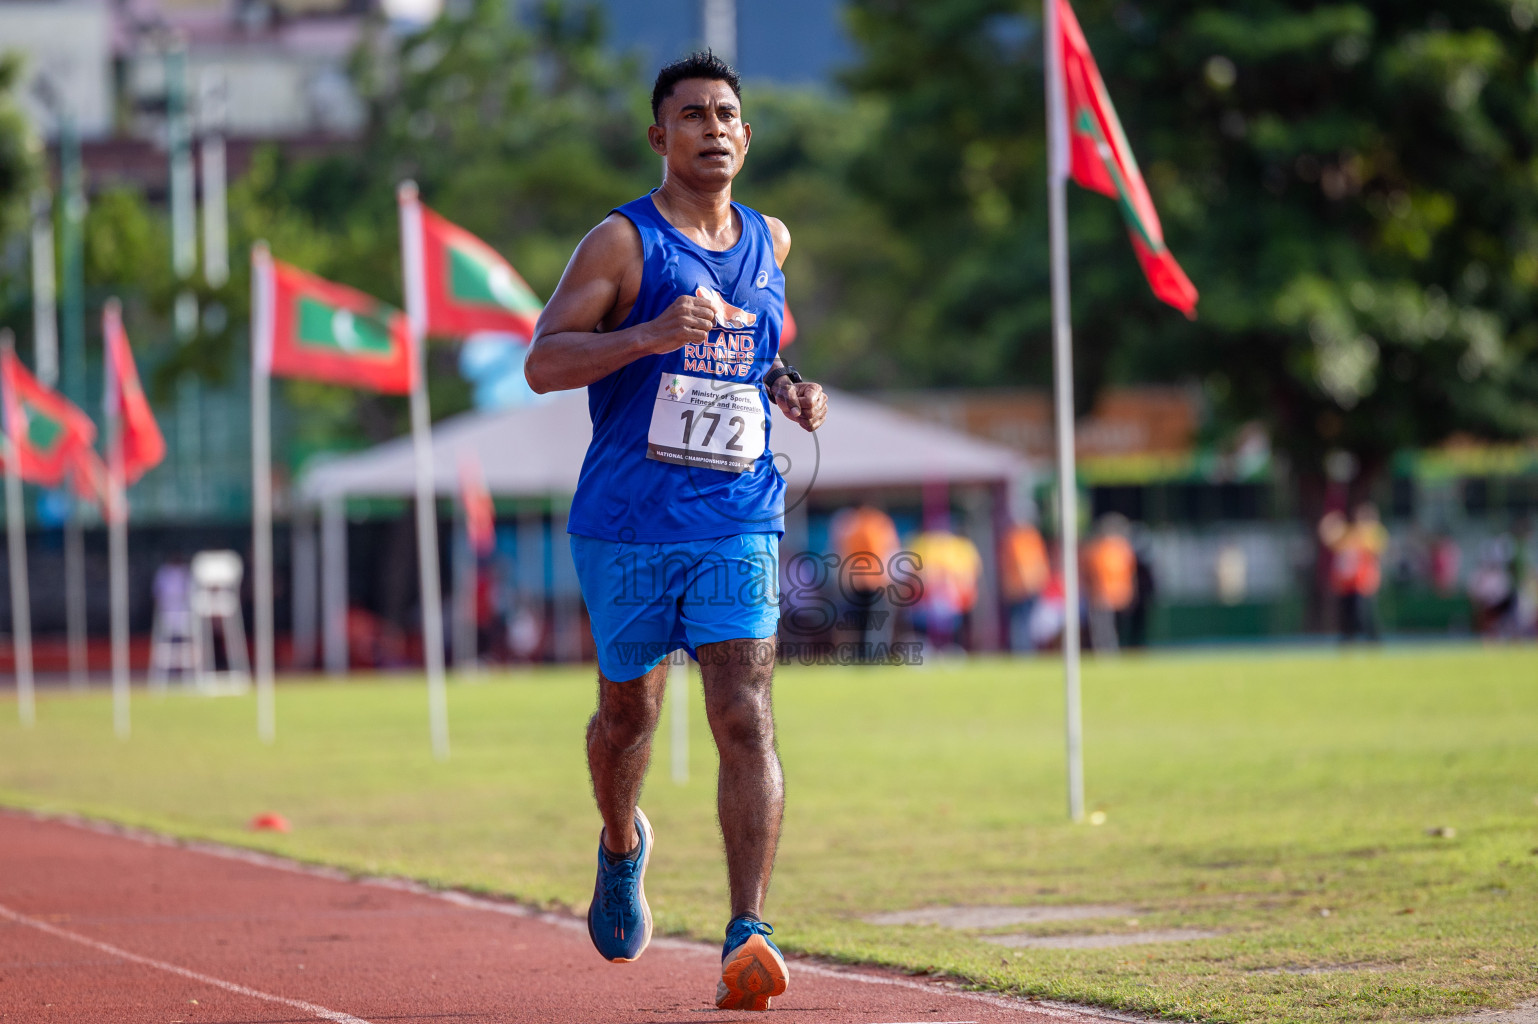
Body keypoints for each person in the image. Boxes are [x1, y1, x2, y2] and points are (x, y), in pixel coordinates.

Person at [523, 52, 828, 1011]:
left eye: (727, 114)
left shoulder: (770, 241)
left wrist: (790, 388)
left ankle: (749, 932)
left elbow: (756, 356)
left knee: (744, 708)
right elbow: (543, 360)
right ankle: (621, 843)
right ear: (660, 136)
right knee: (630, 717)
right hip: (626, 522)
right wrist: (646, 336)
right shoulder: (620, 244)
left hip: (738, 512)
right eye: (691, 114)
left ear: (747, 134)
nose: (712, 128)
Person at [830, 505, 900, 660]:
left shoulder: (850, 524)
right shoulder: (880, 524)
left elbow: (842, 553)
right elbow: (889, 552)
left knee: (859, 621)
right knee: (876, 621)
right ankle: (874, 655)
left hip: (856, 580)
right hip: (875, 579)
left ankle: (862, 655)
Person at [1319, 503, 1388, 642]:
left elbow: (1376, 549)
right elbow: (1331, 538)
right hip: (1347, 584)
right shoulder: (1350, 535)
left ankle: (1372, 638)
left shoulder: (1371, 535)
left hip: (1363, 583)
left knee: (1364, 614)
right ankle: (1348, 638)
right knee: (1347, 613)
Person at [999, 520, 1048, 652]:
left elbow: (1039, 562)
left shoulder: (1031, 538)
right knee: (1020, 622)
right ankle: (1021, 650)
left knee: (1025, 621)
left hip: (1029, 586)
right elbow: (1019, 564)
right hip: (1020, 588)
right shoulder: (1017, 539)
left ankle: (1024, 649)